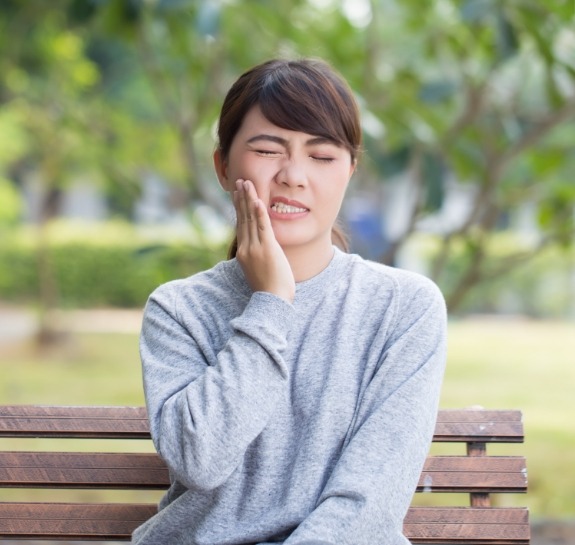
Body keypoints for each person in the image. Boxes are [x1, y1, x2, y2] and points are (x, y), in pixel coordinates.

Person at [133, 58, 447, 545]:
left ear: (349, 172)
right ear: (223, 166)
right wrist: (271, 303)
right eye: (266, 150)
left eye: (322, 156)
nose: (294, 176)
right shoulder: (179, 310)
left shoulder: (405, 308)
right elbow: (202, 460)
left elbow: (368, 504)